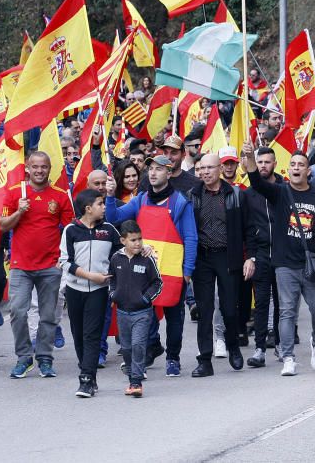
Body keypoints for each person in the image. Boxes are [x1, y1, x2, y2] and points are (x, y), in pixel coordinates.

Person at [241, 142, 315, 377]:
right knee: (287, 311)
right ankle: (288, 357)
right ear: (288, 171)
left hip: (313, 265)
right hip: (285, 265)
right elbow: (256, 181)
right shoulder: (279, 192)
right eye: (293, 165)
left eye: (302, 165)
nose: (297, 168)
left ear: (309, 171)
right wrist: (249, 157)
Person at [106, 155, 198, 378]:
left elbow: (191, 238)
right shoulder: (140, 200)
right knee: (144, 316)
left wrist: (187, 272)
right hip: (145, 272)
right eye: (151, 169)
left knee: (175, 318)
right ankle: (146, 353)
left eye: (159, 169)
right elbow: (113, 217)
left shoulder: (179, 202)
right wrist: (110, 196)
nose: (153, 173)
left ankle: (173, 358)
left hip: (172, 270)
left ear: (169, 172)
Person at [0, 151, 74, 379]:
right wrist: (19, 212)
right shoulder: (14, 194)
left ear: (49, 169)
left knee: (48, 315)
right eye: (35, 166)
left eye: (43, 167)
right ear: (27, 169)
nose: (39, 170)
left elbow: (70, 230)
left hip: (50, 266)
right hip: (21, 265)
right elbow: (3, 225)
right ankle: (23, 357)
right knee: (18, 311)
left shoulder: (60, 196)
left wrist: (65, 260)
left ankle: (44, 358)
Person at [186, 154, 249, 377]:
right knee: (204, 311)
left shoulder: (235, 195)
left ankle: (233, 346)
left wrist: (249, 256)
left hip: (228, 257)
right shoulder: (192, 195)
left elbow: (248, 229)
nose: (205, 172)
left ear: (220, 169)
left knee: (229, 309)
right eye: (201, 168)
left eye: (209, 168)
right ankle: (204, 360)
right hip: (202, 258)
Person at [61, 189, 122, 397]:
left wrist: (145, 248)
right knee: (78, 334)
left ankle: (86, 379)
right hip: (74, 289)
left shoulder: (109, 230)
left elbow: (122, 253)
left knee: (92, 334)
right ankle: (88, 371)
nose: (104, 207)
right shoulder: (71, 230)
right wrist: (88, 275)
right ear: (88, 209)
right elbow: (65, 262)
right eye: (100, 203)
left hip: (99, 290)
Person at [108, 220, 163, 398]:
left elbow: (157, 282)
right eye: (133, 240)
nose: (138, 243)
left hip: (142, 312)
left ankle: (136, 381)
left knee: (138, 344)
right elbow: (112, 279)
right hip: (122, 312)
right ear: (123, 241)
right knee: (126, 347)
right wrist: (113, 294)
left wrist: (145, 298)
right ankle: (132, 374)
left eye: (140, 239)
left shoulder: (147, 259)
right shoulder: (116, 258)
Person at [243, 146, 282, 367]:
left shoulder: (284, 189)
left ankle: (279, 345)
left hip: (282, 254)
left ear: (275, 163)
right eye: (260, 162)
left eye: (268, 162)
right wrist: (250, 256)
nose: (264, 166)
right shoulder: (249, 194)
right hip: (260, 255)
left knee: (282, 303)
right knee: (261, 303)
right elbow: (247, 228)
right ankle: (259, 349)